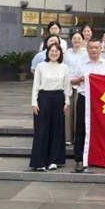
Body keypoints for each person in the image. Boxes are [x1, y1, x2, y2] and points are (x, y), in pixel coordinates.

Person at [70, 39, 105, 173]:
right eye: (91, 48)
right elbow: (72, 80)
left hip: (102, 100)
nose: (94, 50)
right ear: (87, 49)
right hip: (84, 98)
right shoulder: (80, 64)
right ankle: (79, 159)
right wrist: (80, 79)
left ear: (100, 49)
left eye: (96, 48)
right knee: (81, 127)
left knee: (102, 128)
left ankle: (101, 157)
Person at [30, 43, 72, 171]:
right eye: (52, 51)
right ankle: (40, 162)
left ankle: (54, 160)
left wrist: (67, 101)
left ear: (60, 53)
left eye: (57, 51)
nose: (54, 53)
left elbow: (67, 86)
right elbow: (36, 85)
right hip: (43, 98)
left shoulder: (64, 67)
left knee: (57, 130)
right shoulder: (41, 66)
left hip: (59, 99)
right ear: (48, 52)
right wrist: (34, 102)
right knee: (41, 130)